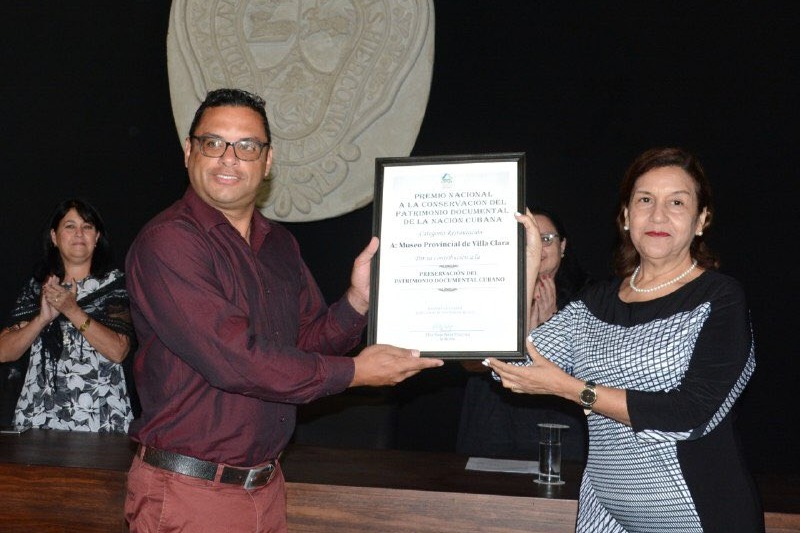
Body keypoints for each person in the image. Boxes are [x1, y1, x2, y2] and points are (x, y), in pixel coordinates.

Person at [124, 88, 535, 532]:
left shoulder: (278, 244)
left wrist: (358, 301)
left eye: (247, 147)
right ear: (189, 152)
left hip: (264, 486)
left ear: (267, 162)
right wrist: (356, 373)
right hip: (191, 494)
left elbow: (305, 343)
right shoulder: (169, 241)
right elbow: (237, 360)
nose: (229, 158)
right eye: (213, 143)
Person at [486, 147, 763, 532]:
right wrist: (529, 264)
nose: (658, 215)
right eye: (645, 200)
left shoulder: (719, 297)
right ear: (626, 216)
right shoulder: (595, 302)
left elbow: (690, 414)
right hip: (605, 511)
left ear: (701, 220)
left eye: (677, 202)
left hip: (699, 515)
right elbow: (509, 368)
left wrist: (574, 390)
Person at [457, 207, 589, 461]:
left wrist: (552, 332)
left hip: (561, 424)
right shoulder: (487, 292)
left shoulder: (589, 298)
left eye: (546, 239)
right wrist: (518, 338)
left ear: (563, 246)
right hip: (495, 419)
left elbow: (593, 373)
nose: (537, 247)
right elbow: (469, 364)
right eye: (528, 238)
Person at [0, 198, 135, 433]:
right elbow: (4, 351)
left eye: (87, 227)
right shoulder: (39, 288)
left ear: (97, 238)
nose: (79, 233)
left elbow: (118, 351)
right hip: (39, 416)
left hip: (100, 416)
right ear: (54, 237)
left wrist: (72, 310)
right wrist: (42, 319)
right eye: (70, 226)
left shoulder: (114, 285)